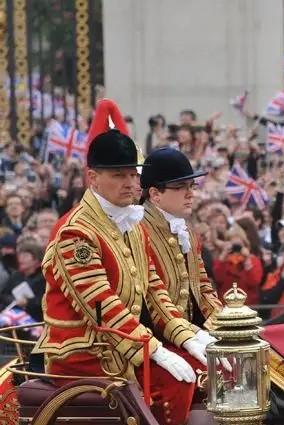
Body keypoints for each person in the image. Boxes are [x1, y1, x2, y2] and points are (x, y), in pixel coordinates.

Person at [32, 100, 209, 425]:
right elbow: (101, 305)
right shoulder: (76, 231)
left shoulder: (130, 221)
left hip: (122, 344)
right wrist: (155, 349)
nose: (131, 183)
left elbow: (154, 290)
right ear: (93, 178)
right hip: (84, 353)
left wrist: (188, 336)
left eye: (134, 174)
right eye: (119, 175)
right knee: (176, 382)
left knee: (205, 370)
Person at [140, 147, 223, 334]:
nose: (190, 193)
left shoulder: (186, 231)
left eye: (191, 186)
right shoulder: (137, 231)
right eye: (180, 187)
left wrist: (225, 326)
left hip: (189, 334)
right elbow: (149, 298)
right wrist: (190, 336)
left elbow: (202, 287)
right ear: (155, 194)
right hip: (156, 339)